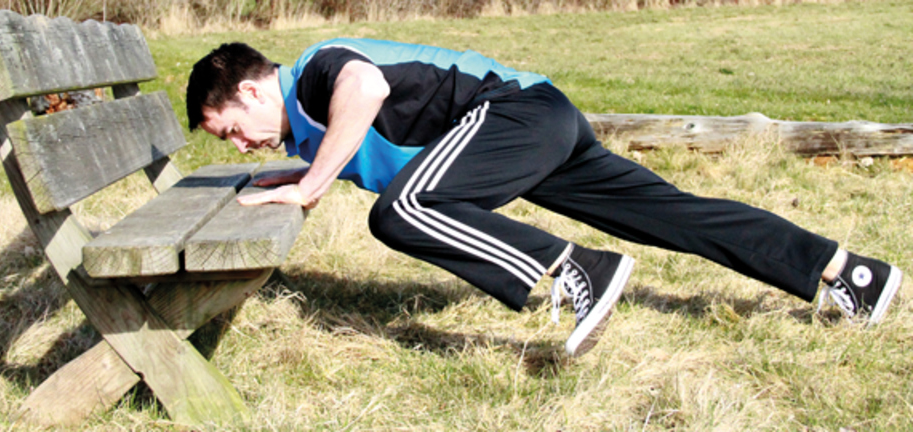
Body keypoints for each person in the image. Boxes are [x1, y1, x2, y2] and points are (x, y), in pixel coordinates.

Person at [185, 39, 903, 356]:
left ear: (250, 90)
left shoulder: (317, 70)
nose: (242, 145)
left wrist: (309, 185)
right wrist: (293, 172)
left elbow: (366, 90)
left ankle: (576, 268)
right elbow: (348, 142)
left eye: (234, 130)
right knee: (675, 215)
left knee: (401, 210)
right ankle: (850, 273)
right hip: (541, 122)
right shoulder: (309, 132)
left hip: (516, 116)